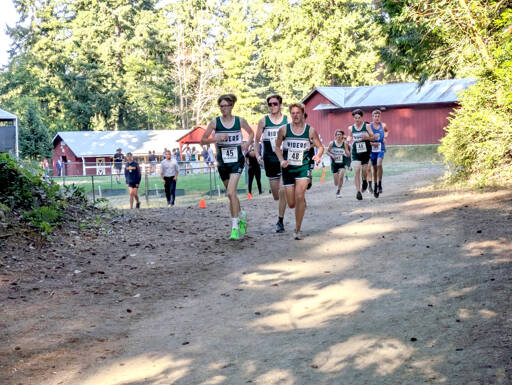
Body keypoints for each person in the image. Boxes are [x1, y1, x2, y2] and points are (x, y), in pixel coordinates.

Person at [200, 94, 254, 240]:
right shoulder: (215, 122)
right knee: (232, 196)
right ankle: (241, 214)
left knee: (230, 193)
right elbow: (202, 141)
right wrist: (215, 138)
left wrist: (247, 144)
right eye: (221, 106)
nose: (223, 109)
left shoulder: (240, 121)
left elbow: (251, 133)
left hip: (237, 161)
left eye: (226, 106)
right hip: (223, 162)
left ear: (231, 106)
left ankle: (235, 227)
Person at [274, 103, 323, 240]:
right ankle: (300, 204)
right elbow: (277, 147)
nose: (295, 115)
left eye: (298, 113)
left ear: (303, 114)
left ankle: (297, 229)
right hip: (288, 168)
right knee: (291, 203)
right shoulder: (283, 130)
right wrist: (281, 160)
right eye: (293, 113)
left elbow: (320, 147)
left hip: (303, 167)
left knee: (300, 195)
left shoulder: (310, 131)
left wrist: (318, 156)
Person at [255, 94, 288, 232]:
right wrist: (257, 155)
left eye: (275, 104)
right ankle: (284, 200)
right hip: (269, 158)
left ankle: (280, 221)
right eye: (270, 104)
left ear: (280, 104)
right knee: (276, 195)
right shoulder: (263, 121)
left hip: (284, 157)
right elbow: (257, 140)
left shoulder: (287, 120)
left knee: (282, 190)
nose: (272, 106)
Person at [347, 109, 375, 200]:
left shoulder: (367, 126)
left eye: (359, 118)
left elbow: (373, 137)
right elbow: (349, 137)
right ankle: (358, 191)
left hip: (366, 150)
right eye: (355, 118)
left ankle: (364, 181)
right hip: (356, 151)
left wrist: (367, 137)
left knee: (364, 170)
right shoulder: (350, 128)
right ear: (353, 118)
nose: (357, 120)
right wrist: (347, 140)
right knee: (357, 170)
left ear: (362, 117)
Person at [369, 109, 388, 196]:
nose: (377, 118)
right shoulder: (369, 126)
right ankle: (375, 185)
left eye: (378, 116)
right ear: (372, 117)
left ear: (380, 117)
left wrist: (384, 137)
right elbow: (366, 139)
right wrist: (372, 143)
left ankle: (380, 184)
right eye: (375, 116)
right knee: (375, 168)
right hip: (372, 150)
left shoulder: (383, 125)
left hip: (381, 148)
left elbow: (387, 131)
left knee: (379, 164)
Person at [327, 129, 350, 198]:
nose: (338, 136)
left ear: (342, 136)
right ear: (335, 136)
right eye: (337, 134)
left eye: (340, 134)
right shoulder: (332, 143)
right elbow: (327, 152)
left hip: (342, 163)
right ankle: (337, 187)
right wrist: (332, 155)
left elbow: (347, 152)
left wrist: (348, 154)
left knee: (341, 176)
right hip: (334, 164)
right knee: (336, 183)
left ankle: (338, 191)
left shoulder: (344, 144)